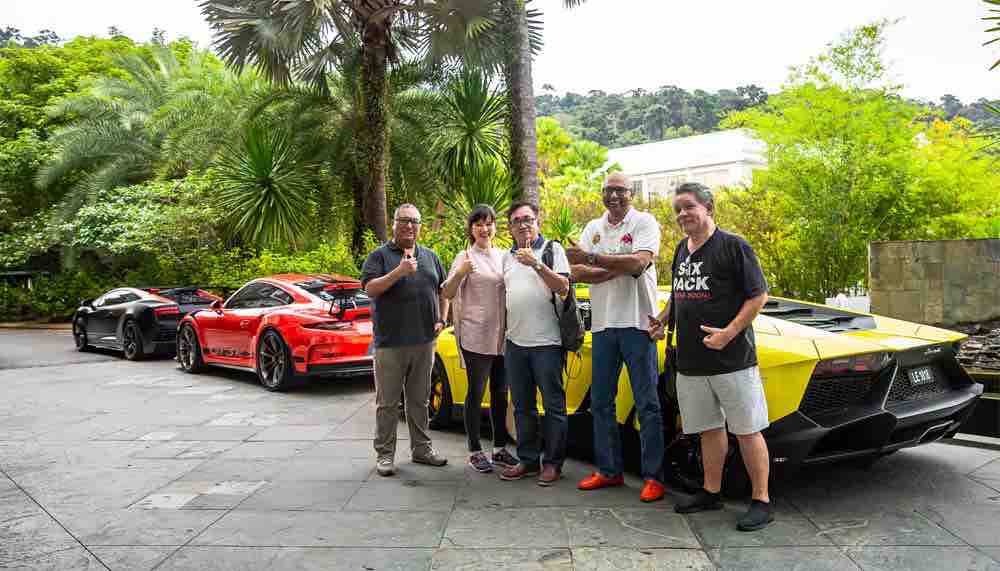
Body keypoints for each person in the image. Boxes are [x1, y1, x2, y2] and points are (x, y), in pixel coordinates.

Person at [648, 182, 773, 531]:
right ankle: (711, 491)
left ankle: (761, 500)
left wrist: (728, 333)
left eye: (689, 206)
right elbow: (680, 294)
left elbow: (758, 296)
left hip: (732, 360)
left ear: (708, 207)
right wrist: (662, 320)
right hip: (691, 362)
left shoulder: (733, 246)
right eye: (677, 210)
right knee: (708, 429)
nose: (682, 214)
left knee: (747, 430)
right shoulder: (681, 249)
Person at [565, 171, 666, 503]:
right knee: (601, 402)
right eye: (608, 190)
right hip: (604, 325)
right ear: (602, 194)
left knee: (647, 403)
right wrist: (617, 267)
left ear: (631, 193)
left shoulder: (644, 222)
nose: (614, 196)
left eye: (620, 190)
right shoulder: (593, 228)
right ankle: (609, 470)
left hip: (638, 323)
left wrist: (594, 261)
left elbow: (639, 264)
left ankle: (654, 477)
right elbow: (576, 272)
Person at [362, 203, 450, 477]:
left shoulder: (431, 256)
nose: (410, 226)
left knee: (420, 400)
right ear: (394, 224)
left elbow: (443, 290)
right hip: (390, 343)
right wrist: (398, 272)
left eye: (415, 221)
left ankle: (421, 450)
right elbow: (370, 289)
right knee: (387, 403)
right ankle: (385, 455)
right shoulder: (379, 256)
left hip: (424, 342)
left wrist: (442, 318)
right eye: (404, 220)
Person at [497, 201, 571, 486]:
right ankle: (527, 460)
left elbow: (563, 287)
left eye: (527, 219)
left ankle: (552, 464)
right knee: (522, 407)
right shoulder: (506, 257)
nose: (523, 224)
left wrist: (536, 264)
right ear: (510, 228)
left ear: (537, 221)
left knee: (553, 407)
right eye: (516, 221)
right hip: (516, 344)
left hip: (548, 343)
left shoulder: (552, 250)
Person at [441, 205, 517, 473]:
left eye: (489, 223)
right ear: (471, 229)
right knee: (476, 391)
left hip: (503, 335)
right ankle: (474, 450)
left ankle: (499, 449)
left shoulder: (504, 256)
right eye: (479, 224)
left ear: (495, 226)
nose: (485, 229)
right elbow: (447, 292)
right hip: (476, 335)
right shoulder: (464, 257)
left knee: (501, 392)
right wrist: (461, 272)